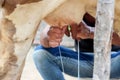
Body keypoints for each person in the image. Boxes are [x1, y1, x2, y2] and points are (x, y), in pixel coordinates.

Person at [33, 13, 120, 80]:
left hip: (115, 60)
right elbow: (44, 37)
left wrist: (90, 33)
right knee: (40, 54)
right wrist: (50, 36)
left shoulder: (114, 4)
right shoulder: (72, 6)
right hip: (82, 62)